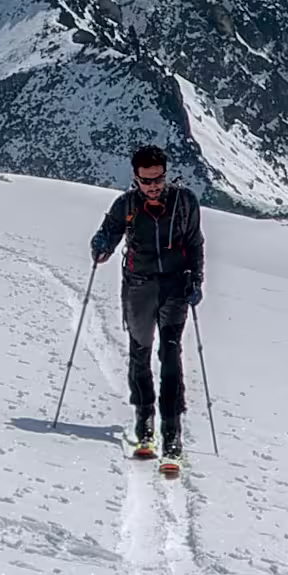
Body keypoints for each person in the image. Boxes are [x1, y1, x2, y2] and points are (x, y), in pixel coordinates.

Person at [91, 141, 205, 471]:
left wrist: (196, 279)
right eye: (147, 181)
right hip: (138, 287)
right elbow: (106, 237)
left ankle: (172, 434)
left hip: (174, 286)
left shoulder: (185, 202)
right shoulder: (125, 205)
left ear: (166, 175)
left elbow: (195, 242)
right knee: (140, 352)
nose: (153, 187)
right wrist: (99, 248)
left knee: (170, 354)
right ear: (136, 179)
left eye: (158, 179)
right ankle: (144, 424)